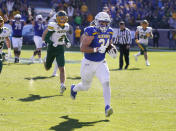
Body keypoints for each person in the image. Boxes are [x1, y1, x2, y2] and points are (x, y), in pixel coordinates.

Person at [70, 12, 114, 117]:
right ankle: (74, 88)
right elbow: (82, 48)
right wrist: (97, 49)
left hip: (101, 62)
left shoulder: (110, 31)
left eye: (105, 22)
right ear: (96, 21)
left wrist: (111, 49)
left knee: (106, 82)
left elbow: (109, 44)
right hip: (88, 63)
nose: (103, 24)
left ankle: (107, 107)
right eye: (101, 22)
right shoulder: (91, 31)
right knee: (85, 87)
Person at [42, 10, 71, 95]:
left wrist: (67, 41)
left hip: (60, 49)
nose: (62, 20)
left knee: (61, 68)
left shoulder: (66, 26)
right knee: (47, 68)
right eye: (61, 18)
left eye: (64, 18)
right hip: (51, 48)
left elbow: (64, 35)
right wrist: (52, 43)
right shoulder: (53, 25)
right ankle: (45, 60)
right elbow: (46, 38)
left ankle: (62, 85)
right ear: (58, 18)